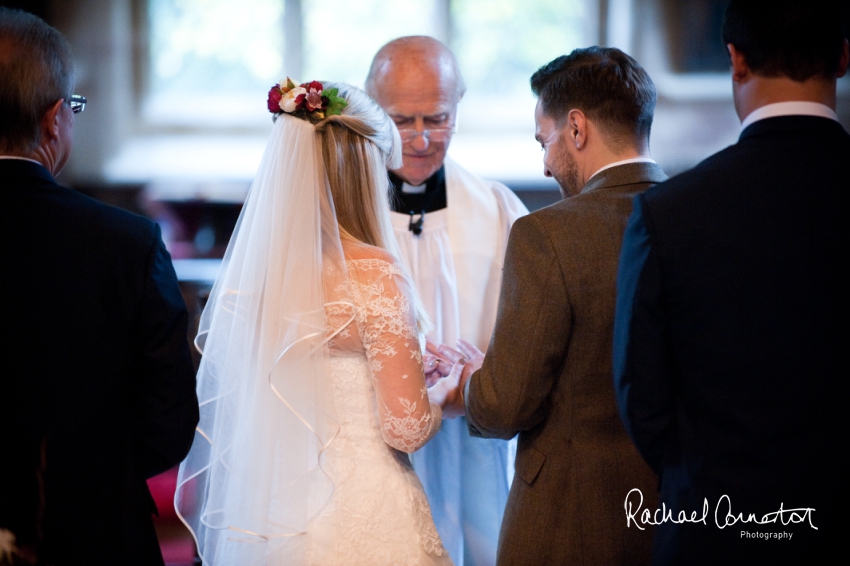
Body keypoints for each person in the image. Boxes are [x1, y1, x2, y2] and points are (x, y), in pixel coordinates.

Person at [175, 79, 465, 565]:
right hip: (364, 508)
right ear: (361, 167)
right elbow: (406, 428)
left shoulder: (260, 274)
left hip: (275, 513)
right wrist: (443, 390)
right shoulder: (373, 271)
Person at [612, 1, 848, 563]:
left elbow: (640, 396)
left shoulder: (669, 213)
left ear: (735, 61)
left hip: (718, 532)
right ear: (842, 58)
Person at [434, 47, 665, 565]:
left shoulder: (548, 234)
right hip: (677, 517)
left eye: (546, 140)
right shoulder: (700, 218)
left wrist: (473, 377)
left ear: (577, 128)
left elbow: (504, 405)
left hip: (570, 522)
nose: (544, 162)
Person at [0, 7, 198, 565]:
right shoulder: (125, 243)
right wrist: (90, 475)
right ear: (55, 118)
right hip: (92, 534)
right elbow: (169, 417)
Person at [365, 36, 528, 565]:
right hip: (375, 439)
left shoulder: (500, 210)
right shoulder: (344, 214)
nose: (418, 140)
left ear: (458, 107)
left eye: (436, 119)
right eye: (400, 120)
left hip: (472, 445)